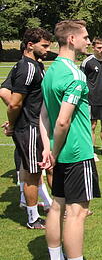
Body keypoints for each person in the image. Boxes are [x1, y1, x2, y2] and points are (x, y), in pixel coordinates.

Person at [39, 20, 102, 260]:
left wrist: (47, 148)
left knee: (57, 205)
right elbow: (62, 121)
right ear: (71, 39)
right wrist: (55, 152)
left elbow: (43, 115)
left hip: (59, 151)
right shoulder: (75, 74)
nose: (88, 41)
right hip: (77, 151)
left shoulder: (51, 71)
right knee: (77, 212)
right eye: (85, 36)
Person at [5, 28, 53, 229]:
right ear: (30, 45)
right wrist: (15, 123)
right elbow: (14, 102)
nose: (47, 50)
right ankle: (33, 218)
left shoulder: (34, 65)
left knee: (31, 171)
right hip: (31, 127)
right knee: (34, 173)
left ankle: (53, 207)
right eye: (44, 45)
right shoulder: (27, 67)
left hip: (33, 126)